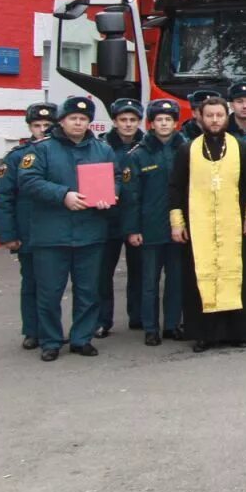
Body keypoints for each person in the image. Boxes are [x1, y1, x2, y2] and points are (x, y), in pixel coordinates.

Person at [18, 96, 116, 361]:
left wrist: (109, 196)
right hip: (52, 235)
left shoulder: (102, 150)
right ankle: (50, 341)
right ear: (61, 120)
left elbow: (116, 178)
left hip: (90, 233)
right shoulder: (41, 149)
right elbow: (28, 181)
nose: (78, 123)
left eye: (83, 119)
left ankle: (81, 338)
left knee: (88, 291)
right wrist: (63, 195)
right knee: (49, 292)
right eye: (73, 118)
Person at [168, 96, 246, 351]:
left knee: (235, 276)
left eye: (219, 115)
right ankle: (204, 334)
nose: (215, 120)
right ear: (200, 117)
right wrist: (178, 223)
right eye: (209, 115)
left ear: (226, 116)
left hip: (234, 224)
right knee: (201, 277)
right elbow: (175, 188)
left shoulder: (242, 147)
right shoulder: (188, 149)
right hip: (199, 227)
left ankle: (237, 331)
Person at [0, 101, 56, 350]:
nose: (42, 129)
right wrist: (8, 234)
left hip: (54, 230)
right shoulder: (18, 157)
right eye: (37, 125)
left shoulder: (60, 152)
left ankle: (53, 329)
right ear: (30, 127)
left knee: (53, 285)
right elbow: (3, 197)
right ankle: (32, 330)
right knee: (31, 282)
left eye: (47, 125)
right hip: (28, 231)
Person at [122, 99, 187, 345]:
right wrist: (133, 229)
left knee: (176, 280)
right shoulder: (138, 154)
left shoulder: (186, 149)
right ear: (151, 123)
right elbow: (130, 196)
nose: (163, 124)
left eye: (168, 120)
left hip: (179, 228)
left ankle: (172, 324)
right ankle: (151, 327)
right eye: (159, 120)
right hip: (150, 229)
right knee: (149, 282)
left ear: (175, 123)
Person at [98, 98, 145, 337]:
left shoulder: (148, 145)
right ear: (114, 122)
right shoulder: (101, 146)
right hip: (109, 217)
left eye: (133, 120)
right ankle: (102, 321)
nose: (128, 125)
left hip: (137, 218)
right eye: (123, 120)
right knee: (103, 272)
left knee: (139, 270)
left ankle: (137, 317)